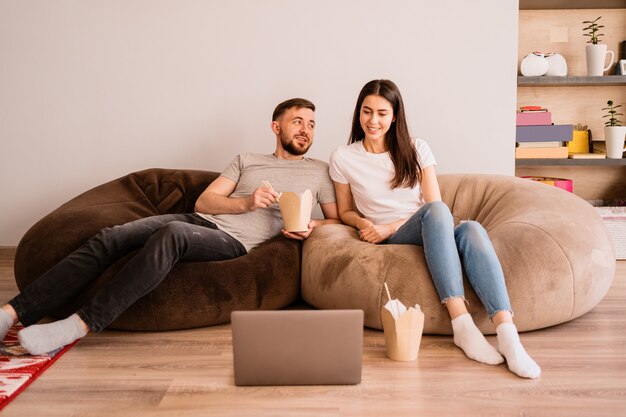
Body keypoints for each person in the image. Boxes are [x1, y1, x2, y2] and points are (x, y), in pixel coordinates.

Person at [0, 98, 339, 355]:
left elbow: (335, 219)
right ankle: (13, 312)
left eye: (311, 123)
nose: (306, 129)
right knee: (111, 235)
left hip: (235, 242)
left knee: (171, 235)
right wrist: (246, 203)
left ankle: (80, 324)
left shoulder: (320, 171)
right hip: (202, 221)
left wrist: (311, 226)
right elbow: (204, 203)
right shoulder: (246, 160)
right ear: (276, 127)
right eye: (297, 121)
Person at [329, 79, 541, 379]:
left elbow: (434, 204)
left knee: (471, 229)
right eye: (366, 112)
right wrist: (365, 224)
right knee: (441, 214)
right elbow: (345, 210)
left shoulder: (417, 148)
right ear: (358, 113)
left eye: (381, 113)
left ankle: (508, 333)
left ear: (394, 115)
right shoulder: (343, 157)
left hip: (420, 225)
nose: (373, 121)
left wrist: (389, 226)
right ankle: (461, 323)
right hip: (397, 238)